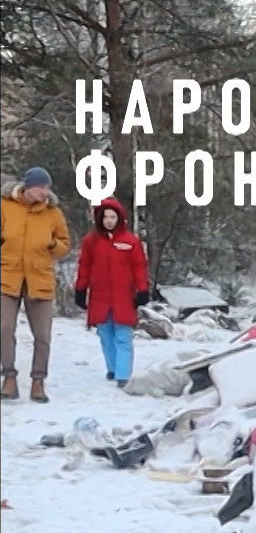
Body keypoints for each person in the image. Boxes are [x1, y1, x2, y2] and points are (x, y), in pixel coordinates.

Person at [1, 166, 73, 402]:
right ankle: (9, 377)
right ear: (28, 187)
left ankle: (38, 381)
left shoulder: (53, 213)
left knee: (42, 335)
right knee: (4, 328)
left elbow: (65, 244)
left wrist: (53, 244)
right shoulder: (5, 206)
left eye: (47, 187)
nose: (45, 192)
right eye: (41, 187)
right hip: (8, 276)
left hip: (40, 278)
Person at [74, 197, 151, 387]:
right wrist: (80, 289)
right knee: (105, 335)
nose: (109, 221)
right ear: (99, 219)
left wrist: (142, 289)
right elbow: (84, 266)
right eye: (105, 217)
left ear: (119, 218)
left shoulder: (131, 241)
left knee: (123, 336)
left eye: (112, 217)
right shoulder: (91, 241)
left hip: (124, 297)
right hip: (100, 297)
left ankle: (123, 374)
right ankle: (113, 368)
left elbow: (139, 267)